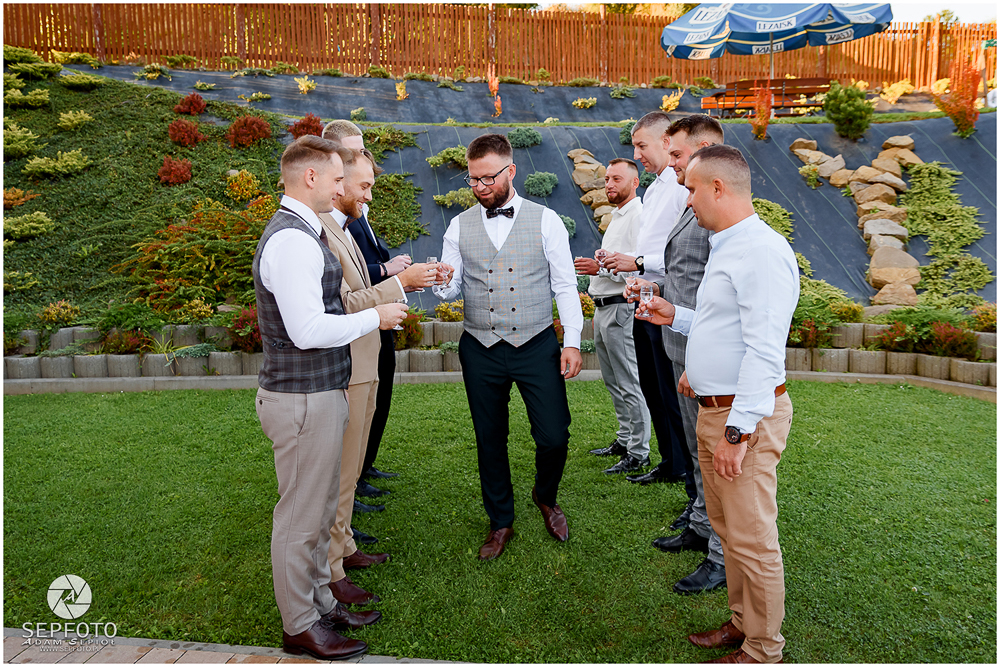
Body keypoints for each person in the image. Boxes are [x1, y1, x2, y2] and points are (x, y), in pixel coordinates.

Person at [635, 144, 799, 664]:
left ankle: (763, 649)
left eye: (691, 189)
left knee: (752, 539)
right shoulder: (728, 244)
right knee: (729, 532)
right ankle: (742, 624)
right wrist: (675, 317)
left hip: (740, 418)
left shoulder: (761, 251)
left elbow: (764, 350)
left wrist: (738, 431)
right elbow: (723, 324)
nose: (687, 200)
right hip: (716, 410)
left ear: (719, 188)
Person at [252, 135, 407, 660]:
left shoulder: (305, 232)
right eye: (338, 178)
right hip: (301, 399)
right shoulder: (292, 240)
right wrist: (375, 317)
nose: (344, 188)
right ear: (311, 177)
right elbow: (306, 330)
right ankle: (299, 625)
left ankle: (321, 603)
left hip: (316, 393)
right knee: (300, 520)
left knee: (319, 514)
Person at [433, 133, 583, 561]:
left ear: (511, 171)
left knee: (554, 435)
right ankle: (500, 521)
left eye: (488, 178)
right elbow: (451, 289)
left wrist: (572, 341)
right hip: (479, 346)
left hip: (535, 343)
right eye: (473, 179)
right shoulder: (458, 226)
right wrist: (442, 281)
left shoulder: (546, 220)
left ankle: (545, 495)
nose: (480, 187)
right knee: (489, 437)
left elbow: (565, 285)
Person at [318, 147, 440, 607]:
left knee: (351, 469)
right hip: (348, 365)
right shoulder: (322, 230)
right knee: (340, 473)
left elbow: (359, 289)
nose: (368, 195)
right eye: (363, 186)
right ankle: (330, 570)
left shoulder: (344, 225)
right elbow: (340, 304)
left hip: (365, 363)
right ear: (338, 182)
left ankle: (345, 546)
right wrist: (400, 285)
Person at [647, 115, 727, 594]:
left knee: (715, 461)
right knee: (698, 451)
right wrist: (660, 293)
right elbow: (687, 272)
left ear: (705, 149)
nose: (670, 162)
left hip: (706, 354)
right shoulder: (690, 200)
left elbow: (718, 295)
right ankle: (700, 526)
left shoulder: (722, 215)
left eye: (676, 154)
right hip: (682, 342)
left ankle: (721, 554)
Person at [602, 111, 691, 494]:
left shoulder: (681, 188)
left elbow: (679, 254)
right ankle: (670, 461)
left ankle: (684, 466)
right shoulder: (655, 189)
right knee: (653, 387)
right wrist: (639, 275)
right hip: (646, 295)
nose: (637, 154)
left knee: (669, 391)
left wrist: (637, 264)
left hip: (668, 299)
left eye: (642, 145)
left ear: (666, 142)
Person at [322, 120, 408, 497]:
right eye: (355, 151)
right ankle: (347, 499)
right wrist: (397, 279)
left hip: (370, 331)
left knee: (368, 416)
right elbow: (344, 299)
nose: (362, 156)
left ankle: (359, 476)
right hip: (351, 342)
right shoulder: (327, 224)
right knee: (349, 433)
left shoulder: (348, 216)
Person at [574, 158, 650, 475]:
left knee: (629, 381)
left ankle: (639, 452)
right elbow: (618, 262)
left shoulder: (639, 216)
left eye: (616, 179)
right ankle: (624, 439)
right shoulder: (618, 216)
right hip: (604, 308)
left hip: (621, 308)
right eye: (607, 179)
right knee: (612, 380)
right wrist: (603, 262)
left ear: (635, 182)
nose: (609, 184)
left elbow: (639, 269)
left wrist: (599, 267)